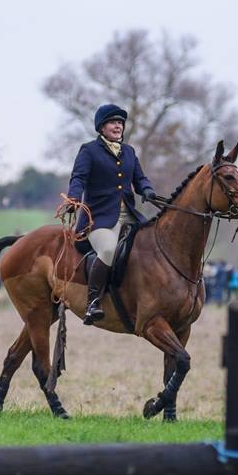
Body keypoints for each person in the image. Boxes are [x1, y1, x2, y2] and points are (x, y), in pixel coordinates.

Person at [66, 104, 157, 325]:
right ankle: (93, 302)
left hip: (130, 216)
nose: (118, 125)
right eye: (112, 122)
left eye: (120, 123)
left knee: (153, 244)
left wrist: (147, 190)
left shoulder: (129, 152)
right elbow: (78, 178)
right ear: (101, 127)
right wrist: (74, 198)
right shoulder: (89, 150)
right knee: (107, 250)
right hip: (99, 220)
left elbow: (140, 178)